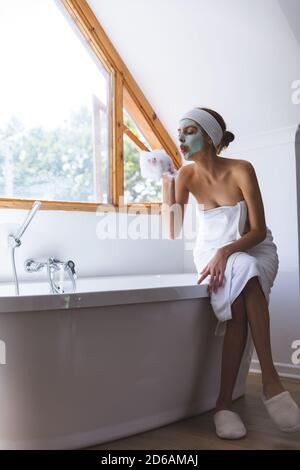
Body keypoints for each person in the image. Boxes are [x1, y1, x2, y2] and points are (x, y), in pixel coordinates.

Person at [160, 106, 300, 439]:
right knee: (241, 296)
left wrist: (227, 251)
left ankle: (229, 400)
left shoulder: (241, 169)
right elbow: (171, 230)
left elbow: (258, 231)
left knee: (247, 270)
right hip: (210, 252)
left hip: (252, 247)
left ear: (210, 136)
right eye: (180, 131)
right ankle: (267, 384)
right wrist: (166, 185)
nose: (181, 137)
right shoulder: (186, 176)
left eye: (190, 131)